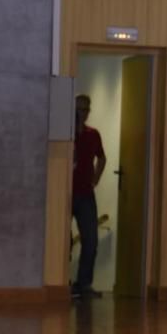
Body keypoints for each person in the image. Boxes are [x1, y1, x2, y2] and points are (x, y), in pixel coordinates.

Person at [72, 94, 106, 299]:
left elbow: (102, 158)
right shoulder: (65, 132)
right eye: (78, 109)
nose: (81, 113)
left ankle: (84, 283)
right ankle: (57, 283)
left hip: (86, 194)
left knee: (91, 240)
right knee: (61, 241)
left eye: (85, 109)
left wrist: (96, 179)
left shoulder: (93, 134)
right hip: (65, 194)